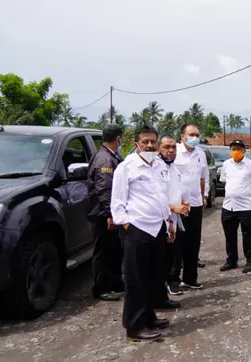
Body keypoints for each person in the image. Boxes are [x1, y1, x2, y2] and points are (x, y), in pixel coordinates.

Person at [110, 125, 181, 342]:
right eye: (145, 142)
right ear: (136, 144)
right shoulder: (127, 168)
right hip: (138, 230)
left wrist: (169, 222)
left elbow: (162, 197)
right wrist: (127, 226)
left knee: (152, 277)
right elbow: (118, 202)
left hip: (157, 228)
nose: (149, 145)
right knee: (136, 280)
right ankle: (134, 326)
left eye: (152, 141)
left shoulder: (158, 165)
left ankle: (149, 317)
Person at [168, 123, 209, 295]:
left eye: (197, 134)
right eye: (191, 134)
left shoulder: (201, 153)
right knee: (177, 243)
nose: (195, 137)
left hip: (196, 204)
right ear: (182, 136)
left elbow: (204, 176)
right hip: (179, 205)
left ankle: (190, 278)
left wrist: (204, 195)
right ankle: (173, 280)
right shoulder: (174, 152)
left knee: (193, 242)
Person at [86, 124, 125, 301]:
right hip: (103, 213)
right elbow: (104, 188)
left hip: (107, 212)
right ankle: (101, 288)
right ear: (118, 139)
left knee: (114, 250)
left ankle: (115, 282)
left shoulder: (109, 156)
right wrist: (110, 214)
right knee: (103, 252)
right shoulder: (105, 160)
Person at [219, 139, 251, 273]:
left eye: (239, 149)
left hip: (245, 207)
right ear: (230, 151)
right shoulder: (226, 164)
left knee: (248, 235)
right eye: (233, 149)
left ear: (244, 151)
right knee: (230, 235)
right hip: (228, 206)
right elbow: (224, 180)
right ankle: (231, 261)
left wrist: (246, 191)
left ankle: (250, 261)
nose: (236, 152)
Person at [156, 134, 188, 310]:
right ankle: (155, 299)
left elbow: (174, 191)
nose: (170, 151)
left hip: (172, 221)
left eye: (173, 147)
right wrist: (171, 208)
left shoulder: (174, 168)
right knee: (158, 263)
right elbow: (155, 196)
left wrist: (182, 202)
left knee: (169, 259)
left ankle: (162, 297)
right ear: (159, 149)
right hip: (158, 222)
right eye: (166, 147)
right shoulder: (155, 168)